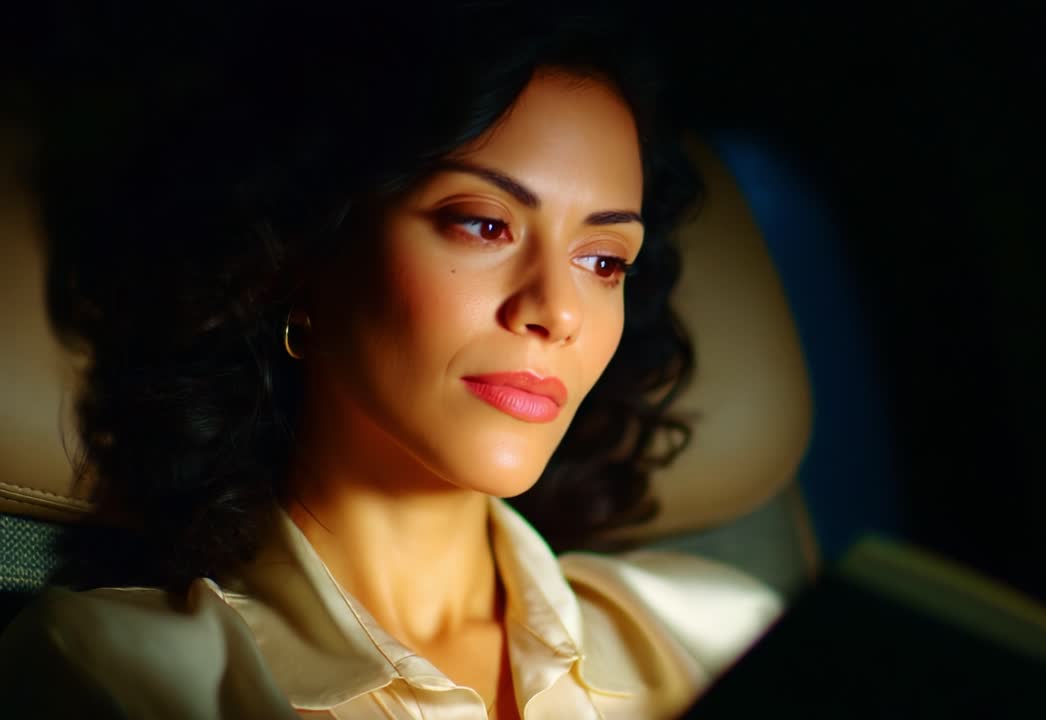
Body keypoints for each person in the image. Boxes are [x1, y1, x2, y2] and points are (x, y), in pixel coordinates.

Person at [0, 4, 782, 718]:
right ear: (307, 253)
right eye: (482, 224)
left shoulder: (725, 636)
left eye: (604, 261)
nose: (557, 310)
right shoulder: (120, 674)